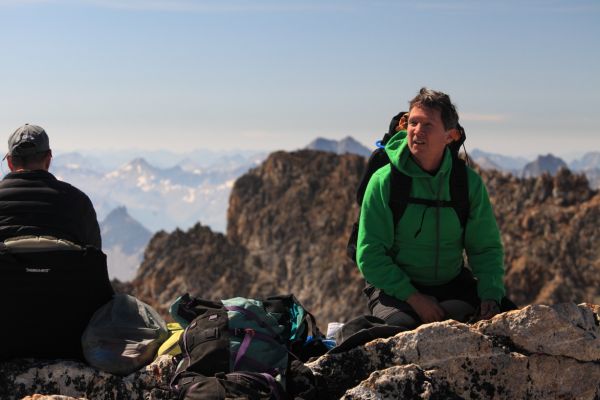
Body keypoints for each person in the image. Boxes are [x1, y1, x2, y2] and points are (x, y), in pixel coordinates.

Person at [356, 88, 505, 329]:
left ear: (449, 136)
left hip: (450, 284)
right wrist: (415, 299)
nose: (417, 131)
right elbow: (370, 255)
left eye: (427, 125)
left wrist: (491, 296)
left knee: (505, 319)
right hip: (395, 289)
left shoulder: (466, 184)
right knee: (401, 328)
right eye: (413, 122)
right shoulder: (385, 182)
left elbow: (484, 248)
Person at [0, 123, 102, 248]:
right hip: (65, 268)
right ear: (48, 160)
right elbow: (96, 259)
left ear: (10, 163)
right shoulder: (77, 202)